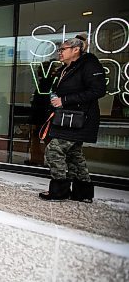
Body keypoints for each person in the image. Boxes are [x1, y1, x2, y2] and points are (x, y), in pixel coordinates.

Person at [39, 34, 106, 202]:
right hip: (66, 118)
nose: (59, 53)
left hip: (79, 119)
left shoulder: (89, 64)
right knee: (74, 155)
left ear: (76, 49)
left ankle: (59, 191)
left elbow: (98, 90)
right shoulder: (66, 69)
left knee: (54, 150)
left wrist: (65, 100)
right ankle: (83, 194)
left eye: (63, 49)